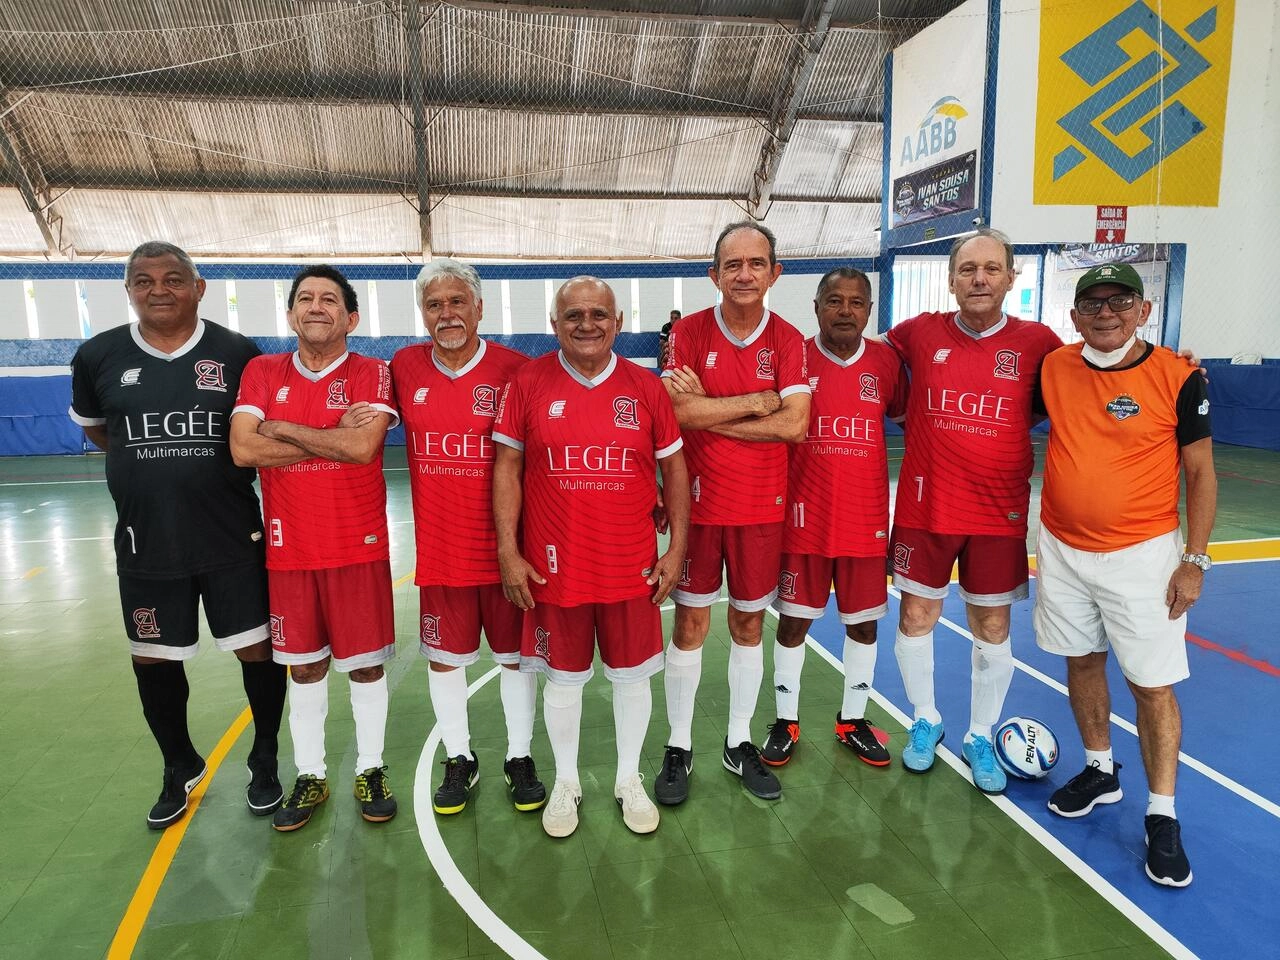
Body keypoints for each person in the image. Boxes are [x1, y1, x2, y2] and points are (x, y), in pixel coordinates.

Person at [69, 241, 287, 830]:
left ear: (199, 287)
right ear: (129, 289)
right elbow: (100, 432)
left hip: (230, 535)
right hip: (146, 541)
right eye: (143, 280)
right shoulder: (98, 355)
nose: (158, 289)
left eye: (172, 278)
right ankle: (178, 764)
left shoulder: (238, 354)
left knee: (258, 649)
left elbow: (257, 431)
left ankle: (264, 757)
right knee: (154, 659)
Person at [1034, 262, 1215, 888]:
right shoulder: (1054, 368)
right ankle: (1100, 769)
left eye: (1120, 301)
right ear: (1075, 314)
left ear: (1143, 310)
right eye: (1092, 303)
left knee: (1153, 686)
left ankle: (1162, 815)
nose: (1105, 313)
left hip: (1143, 555)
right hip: (1060, 548)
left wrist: (1193, 560)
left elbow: (1200, 475)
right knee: (1081, 660)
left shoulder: (1178, 376)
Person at [493, 276, 689, 838]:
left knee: (632, 680)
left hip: (631, 564)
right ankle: (567, 783)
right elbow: (507, 467)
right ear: (554, 324)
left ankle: (629, 779)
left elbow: (674, 467)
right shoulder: (529, 382)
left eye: (598, 314)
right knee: (564, 681)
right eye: (573, 315)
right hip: (554, 566)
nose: (586, 324)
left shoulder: (645, 387)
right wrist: (509, 551)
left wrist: (676, 549)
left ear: (618, 323)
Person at [885, 228, 1062, 795]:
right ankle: (926, 719)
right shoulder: (917, 333)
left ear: (1012, 278)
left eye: (991, 269)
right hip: (924, 506)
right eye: (967, 270)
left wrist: (1178, 364)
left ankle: (980, 733)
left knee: (992, 626)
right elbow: (856, 358)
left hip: (998, 513)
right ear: (951, 279)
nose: (979, 279)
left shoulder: (1040, 343)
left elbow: (1100, 375)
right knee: (916, 618)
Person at [230, 265, 399, 832]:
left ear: (351, 316)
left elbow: (363, 447)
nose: (316, 307)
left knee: (366, 668)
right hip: (290, 550)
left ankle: (372, 768)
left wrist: (282, 427)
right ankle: (310, 774)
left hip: (357, 545)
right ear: (291, 314)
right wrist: (329, 434)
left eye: (329, 299)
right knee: (304, 670)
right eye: (305, 299)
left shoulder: (374, 371)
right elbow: (242, 451)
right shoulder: (261, 370)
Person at [659, 221, 810, 803]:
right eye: (732, 264)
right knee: (690, 625)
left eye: (756, 263)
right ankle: (679, 744)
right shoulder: (688, 334)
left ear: (775, 272)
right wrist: (754, 403)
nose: (744, 274)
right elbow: (676, 417)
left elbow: (795, 424)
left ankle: (738, 740)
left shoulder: (790, 339)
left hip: (760, 508)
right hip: (697, 507)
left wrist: (709, 407)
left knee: (748, 625)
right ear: (713, 273)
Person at [390, 259, 545, 817]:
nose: (447, 313)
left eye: (458, 302)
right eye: (435, 304)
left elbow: (551, 449)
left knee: (515, 661)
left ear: (479, 307)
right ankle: (460, 757)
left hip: (507, 552)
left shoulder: (518, 370)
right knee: (444, 661)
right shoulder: (403, 367)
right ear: (422, 312)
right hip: (441, 552)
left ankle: (520, 756)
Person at [766, 268, 908, 768]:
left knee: (864, 626)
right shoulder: (794, 358)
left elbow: (912, 420)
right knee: (793, 623)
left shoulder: (887, 363)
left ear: (869, 310)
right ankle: (785, 721)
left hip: (865, 519)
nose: (845, 311)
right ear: (817, 305)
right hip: (801, 521)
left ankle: (853, 720)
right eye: (834, 301)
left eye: (856, 302)